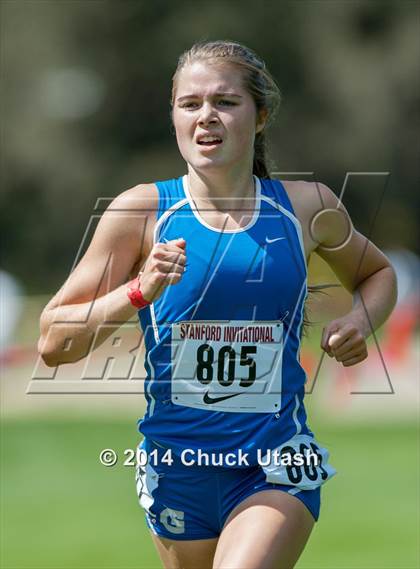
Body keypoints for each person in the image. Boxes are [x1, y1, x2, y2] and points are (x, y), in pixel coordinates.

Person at [38, 40, 398, 569]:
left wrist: (359, 322)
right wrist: (138, 291)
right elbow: (52, 342)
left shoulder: (307, 207)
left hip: (275, 462)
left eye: (225, 102)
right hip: (177, 464)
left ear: (260, 116)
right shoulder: (142, 210)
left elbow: (378, 274)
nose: (206, 116)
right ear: (175, 117)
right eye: (190, 104)